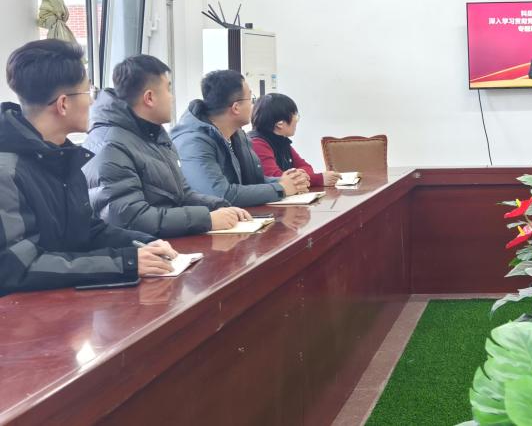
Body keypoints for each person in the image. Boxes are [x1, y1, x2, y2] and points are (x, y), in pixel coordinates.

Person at [0, 40, 177, 294]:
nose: (93, 103)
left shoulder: (62, 155)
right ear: (63, 104)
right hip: (26, 314)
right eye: (88, 93)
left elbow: (87, 230)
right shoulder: (7, 171)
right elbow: (20, 267)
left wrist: (144, 244)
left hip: (64, 305)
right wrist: (124, 263)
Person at [83, 55, 253, 237]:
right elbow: (130, 219)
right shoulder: (110, 146)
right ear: (149, 98)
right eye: (168, 89)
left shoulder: (155, 135)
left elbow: (182, 194)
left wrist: (219, 206)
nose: (172, 98)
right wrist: (207, 219)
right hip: (145, 249)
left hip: (167, 243)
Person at [171, 70, 309, 207]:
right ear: (236, 108)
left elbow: (252, 181)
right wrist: (281, 188)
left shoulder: (237, 135)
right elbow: (220, 195)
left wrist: (285, 182)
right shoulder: (193, 142)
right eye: (251, 99)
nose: (253, 105)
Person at [251, 93, 340, 187]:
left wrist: (296, 175)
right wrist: (319, 179)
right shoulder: (257, 143)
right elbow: (277, 179)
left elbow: (307, 167)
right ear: (280, 123)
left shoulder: (282, 141)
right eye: (295, 115)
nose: (297, 120)